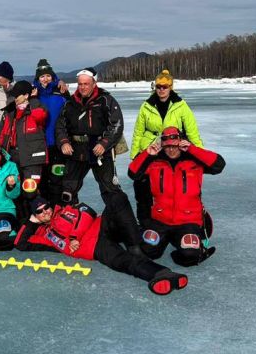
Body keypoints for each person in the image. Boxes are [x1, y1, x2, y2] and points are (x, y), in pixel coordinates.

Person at [14, 193, 189, 296]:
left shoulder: (66, 210)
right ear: (35, 215)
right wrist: (31, 222)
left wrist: (75, 236)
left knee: (117, 198)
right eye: (39, 211)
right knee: (122, 262)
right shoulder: (46, 235)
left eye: (47, 207)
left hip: (102, 226)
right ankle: (162, 274)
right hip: (94, 248)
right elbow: (20, 243)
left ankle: (135, 243)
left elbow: (88, 212)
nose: (45, 212)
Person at [127, 127, 225, 267]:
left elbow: (219, 165)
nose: (171, 150)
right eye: (167, 147)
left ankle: (180, 242)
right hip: (160, 220)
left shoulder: (195, 162)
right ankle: (167, 239)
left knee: (189, 257)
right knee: (147, 251)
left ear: (180, 144)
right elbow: (133, 173)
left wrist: (192, 149)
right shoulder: (154, 162)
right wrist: (147, 154)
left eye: (174, 146)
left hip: (188, 221)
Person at [130, 69, 203, 227]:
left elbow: (192, 131)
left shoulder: (181, 106)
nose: (161, 90)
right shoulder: (146, 106)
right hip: (151, 149)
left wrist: (199, 153)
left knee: (171, 188)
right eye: (158, 86)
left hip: (172, 151)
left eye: (165, 86)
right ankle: (145, 224)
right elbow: (138, 132)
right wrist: (136, 156)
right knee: (142, 189)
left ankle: (186, 221)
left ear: (171, 87)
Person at [55, 67, 125, 206]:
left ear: (94, 83)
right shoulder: (70, 103)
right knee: (68, 192)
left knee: (111, 191)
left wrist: (104, 143)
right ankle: (71, 222)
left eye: (86, 84)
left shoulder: (106, 100)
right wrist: (63, 142)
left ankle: (119, 223)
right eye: (80, 84)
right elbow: (60, 126)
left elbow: (116, 124)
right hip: (76, 150)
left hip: (98, 149)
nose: (83, 87)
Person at [0, 80, 48, 221]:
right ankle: (20, 222)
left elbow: (41, 115)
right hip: (12, 156)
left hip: (32, 157)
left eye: (17, 95)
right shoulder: (10, 111)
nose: (14, 98)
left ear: (26, 95)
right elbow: (1, 133)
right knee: (15, 190)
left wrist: (32, 100)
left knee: (30, 191)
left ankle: (35, 221)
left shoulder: (36, 108)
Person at [32, 59, 70, 203]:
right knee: (42, 180)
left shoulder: (61, 91)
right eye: (42, 76)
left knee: (58, 179)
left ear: (53, 76)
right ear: (38, 78)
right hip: (40, 144)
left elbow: (71, 113)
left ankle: (58, 209)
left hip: (59, 143)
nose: (45, 79)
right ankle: (45, 211)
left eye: (48, 75)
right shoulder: (33, 94)